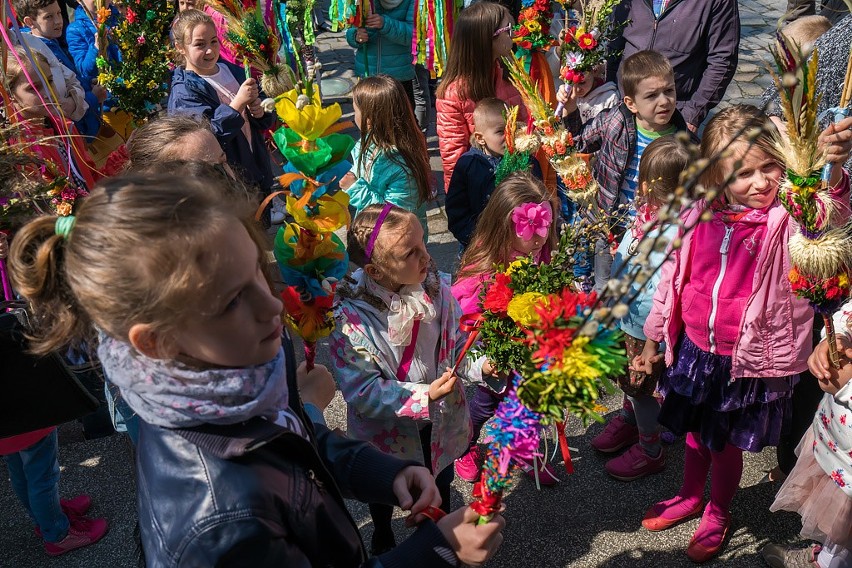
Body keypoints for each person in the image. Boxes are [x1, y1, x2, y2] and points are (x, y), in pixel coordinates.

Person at [7, 173, 505, 567]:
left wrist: (382, 471)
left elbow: (299, 446)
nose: (273, 309)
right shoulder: (223, 524)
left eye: (259, 276)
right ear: (158, 341)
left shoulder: (234, 385)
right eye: (231, 301)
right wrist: (436, 549)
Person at [633, 105, 852, 563]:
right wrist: (655, 337)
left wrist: (833, 171)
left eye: (769, 167)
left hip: (745, 358)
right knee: (694, 432)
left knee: (723, 442)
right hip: (695, 347)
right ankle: (691, 493)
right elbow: (673, 275)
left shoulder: (786, 218)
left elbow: (828, 218)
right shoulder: (697, 213)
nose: (760, 182)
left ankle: (717, 509)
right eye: (742, 173)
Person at [330, 203, 486, 555]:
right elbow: (362, 391)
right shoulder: (349, 318)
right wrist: (423, 396)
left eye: (423, 243)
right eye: (410, 252)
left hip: (441, 422)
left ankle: (437, 541)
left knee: (440, 478)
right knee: (384, 489)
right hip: (386, 434)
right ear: (375, 269)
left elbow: (458, 346)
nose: (426, 257)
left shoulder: (436, 289)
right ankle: (382, 532)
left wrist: (484, 366)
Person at [451, 172, 560, 485]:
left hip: (531, 354)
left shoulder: (541, 252)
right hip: (495, 357)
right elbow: (465, 321)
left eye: (546, 225)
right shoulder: (484, 268)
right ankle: (464, 445)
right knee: (484, 405)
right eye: (532, 227)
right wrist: (485, 359)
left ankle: (524, 451)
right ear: (504, 225)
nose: (540, 236)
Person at [596, 135, 689, 481]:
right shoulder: (648, 215)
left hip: (644, 327)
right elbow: (626, 254)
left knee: (641, 385)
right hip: (628, 316)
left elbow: (661, 292)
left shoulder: (674, 234)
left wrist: (651, 337)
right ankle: (631, 419)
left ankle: (650, 448)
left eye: (645, 181)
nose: (640, 187)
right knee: (632, 381)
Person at [565, 50, 693, 295]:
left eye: (669, 91)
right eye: (652, 95)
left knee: (637, 284)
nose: (664, 101)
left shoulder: (682, 141)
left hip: (650, 229)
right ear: (631, 103)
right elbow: (579, 142)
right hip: (608, 220)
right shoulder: (615, 121)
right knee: (605, 283)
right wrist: (571, 110)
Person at [761, 312, 852, 568]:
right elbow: (848, 314)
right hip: (838, 440)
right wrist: (835, 338)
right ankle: (830, 556)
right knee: (841, 523)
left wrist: (846, 387)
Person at [168, 9, 276, 198]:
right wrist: (238, 104)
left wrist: (260, 112)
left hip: (254, 165)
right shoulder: (184, 92)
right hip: (226, 181)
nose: (210, 50)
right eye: (199, 44)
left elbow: (261, 118)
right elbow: (204, 140)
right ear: (180, 47)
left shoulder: (232, 71)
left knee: (260, 221)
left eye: (213, 41)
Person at [607, 0, 739, 131]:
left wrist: (693, 114)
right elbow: (613, 44)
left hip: (674, 115)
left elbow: (723, 59)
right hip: (624, 105)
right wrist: (610, 91)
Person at [436, 1, 523, 192]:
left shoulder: (509, 75)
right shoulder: (453, 95)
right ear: (486, 40)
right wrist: (459, 209)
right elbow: (454, 159)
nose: (514, 34)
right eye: (508, 29)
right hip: (481, 191)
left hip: (517, 184)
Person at [338, 75, 433, 238]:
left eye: (355, 111)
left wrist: (355, 189)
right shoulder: (366, 143)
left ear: (369, 120)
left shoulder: (403, 167)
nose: (353, 116)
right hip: (374, 234)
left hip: (400, 246)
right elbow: (361, 171)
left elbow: (394, 217)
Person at [446, 97, 542, 250]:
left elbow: (538, 200)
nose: (509, 134)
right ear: (480, 138)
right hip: (481, 245)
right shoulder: (468, 164)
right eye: (500, 131)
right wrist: (477, 240)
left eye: (512, 128)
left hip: (520, 244)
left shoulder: (527, 161)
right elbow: (457, 211)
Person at [14, 0, 105, 139]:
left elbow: (72, 80)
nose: (58, 21)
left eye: (59, 13)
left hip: (89, 124)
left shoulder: (53, 42)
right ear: (30, 22)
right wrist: (93, 97)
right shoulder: (38, 55)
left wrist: (88, 83)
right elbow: (59, 101)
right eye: (48, 17)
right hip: (78, 133)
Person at [346, 0, 415, 107]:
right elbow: (351, 28)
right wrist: (355, 37)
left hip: (398, 78)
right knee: (368, 119)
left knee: (400, 119)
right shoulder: (363, 1)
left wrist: (384, 24)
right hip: (368, 75)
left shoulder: (412, 2)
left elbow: (413, 36)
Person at [65, 0, 121, 93]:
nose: (98, 1)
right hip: (106, 97)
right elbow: (84, 71)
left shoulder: (119, 17)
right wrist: (96, 47)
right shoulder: (75, 30)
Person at [555, 63, 620, 126]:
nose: (577, 89)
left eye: (582, 83)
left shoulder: (609, 98)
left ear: (594, 71)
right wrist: (562, 105)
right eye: (571, 83)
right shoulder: (567, 93)